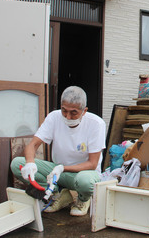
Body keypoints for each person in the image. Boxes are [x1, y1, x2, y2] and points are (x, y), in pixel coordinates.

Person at [10, 86, 106, 216]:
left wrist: (63, 168)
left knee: (85, 182)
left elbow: (92, 164)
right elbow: (33, 144)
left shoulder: (96, 124)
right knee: (17, 164)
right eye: (64, 111)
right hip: (56, 172)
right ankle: (58, 194)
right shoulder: (54, 117)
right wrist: (30, 162)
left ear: (84, 111)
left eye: (74, 112)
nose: (67, 116)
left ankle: (83, 199)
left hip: (83, 173)